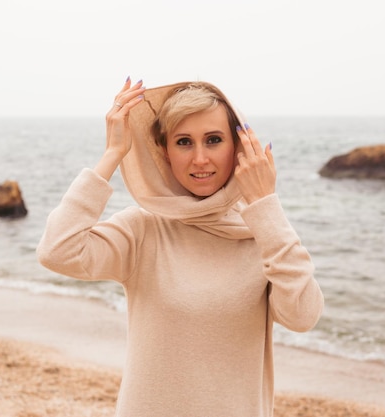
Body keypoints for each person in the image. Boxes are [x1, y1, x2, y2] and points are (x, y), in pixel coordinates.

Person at [36, 77, 324, 417]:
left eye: (214, 140)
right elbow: (57, 251)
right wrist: (113, 153)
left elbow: (303, 316)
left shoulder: (266, 236)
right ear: (165, 152)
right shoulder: (144, 230)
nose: (200, 158)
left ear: (239, 147)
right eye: (184, 142)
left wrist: (265, 206)